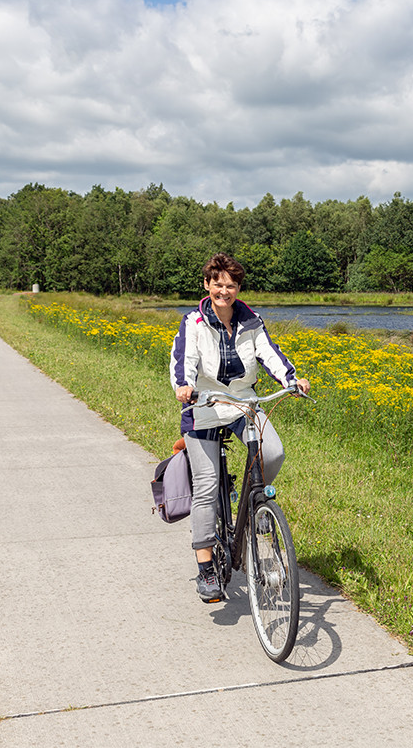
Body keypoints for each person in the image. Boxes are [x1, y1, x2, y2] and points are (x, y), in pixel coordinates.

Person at [169, 253, 310, 602]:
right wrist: (184, 386)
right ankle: (206, 569)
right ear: (207, 285)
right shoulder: (194, 322)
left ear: (238, 288)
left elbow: (269, 353)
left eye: (230, 285)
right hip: (202, 406)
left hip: (243, 404)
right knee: (206, 485)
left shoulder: (251, 321)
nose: (224, 291)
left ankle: (256, 507)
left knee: (273, 452)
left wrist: (292, 379)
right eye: (217, 284)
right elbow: (183, 359)